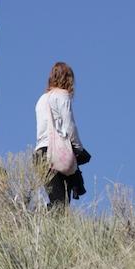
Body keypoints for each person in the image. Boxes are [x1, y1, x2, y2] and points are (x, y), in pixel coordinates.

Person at [34, 61, 83, 209]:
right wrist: (78, 148)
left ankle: (39, 225)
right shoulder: (62, 96)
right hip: (57, 152)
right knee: (61, 204)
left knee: (55, 199)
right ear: (68, 79)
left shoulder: (41, 99)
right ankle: (46, 225)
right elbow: (69, 126)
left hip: (40, 153)